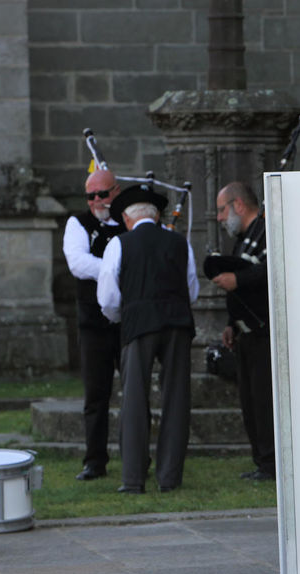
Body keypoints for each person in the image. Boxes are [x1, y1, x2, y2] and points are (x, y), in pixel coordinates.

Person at [97, 185, 198, 494]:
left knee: (135, 399)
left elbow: (108, 296)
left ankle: (133, 478)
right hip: (178, 322)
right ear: (155, 216)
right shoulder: (180, 243)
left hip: (139, 323)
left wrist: (122, 317)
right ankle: (169, 477)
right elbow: (191, 287)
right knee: (176, 398)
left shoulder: (119, 244)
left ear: (127, 219)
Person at [63, 169, 125, 481]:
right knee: (95, 395)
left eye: (103, 193)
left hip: (128, 320)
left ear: (117, 191)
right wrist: (116, 269)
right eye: (91, 195)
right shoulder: (78, 223)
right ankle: (95, 460)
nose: (97, 201)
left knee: (135, 391)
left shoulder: (132, 220)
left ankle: (136, 456)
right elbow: (77, 263)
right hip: (93, 322)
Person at [212, 181, 274, 481]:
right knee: (249, 402)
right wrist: (230, 322)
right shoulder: (243, 238)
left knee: (263, 401)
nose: (220, 218)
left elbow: (271, 270)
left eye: (222, 210)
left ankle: (271, 464)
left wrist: (239, 279)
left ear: (238, 205)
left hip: (265, 332)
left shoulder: (266, 233)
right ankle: (261, 461)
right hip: (244, 333)